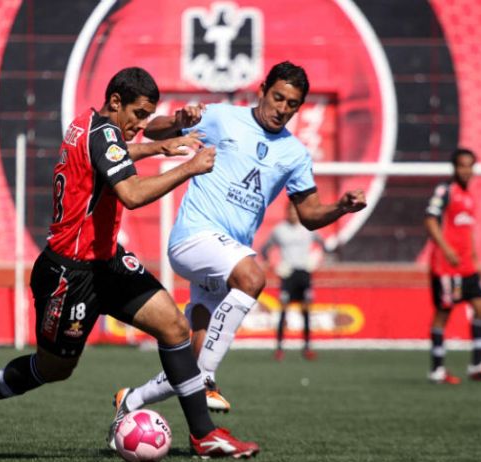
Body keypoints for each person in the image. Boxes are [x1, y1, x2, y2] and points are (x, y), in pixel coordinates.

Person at [0, 67, 260, 459]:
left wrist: (158, 147)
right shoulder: (105, 133)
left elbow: (109, 154)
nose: (143, 124)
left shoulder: (89, 124)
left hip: (107, 262)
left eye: (148, 116)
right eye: (139, 114)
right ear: (115, 102)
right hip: (70, 273)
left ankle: (204, 434)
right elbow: (131, 193)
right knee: (55, 368)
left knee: (174, 326)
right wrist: (188, 168)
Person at [106, 61, 367, 440]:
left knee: (191, 358)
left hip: (225, 255)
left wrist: (340, 207)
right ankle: (208, 378)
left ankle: (131, 399)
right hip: (194, 237)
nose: (282, 108)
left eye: (292, 104)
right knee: (253, 277)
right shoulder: (223, 118)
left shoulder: (295, 154)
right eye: (278, 97)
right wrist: (179, 120)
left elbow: (310, 215)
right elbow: (154, 128)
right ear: (262, 91)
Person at [424, 148, 481, 384]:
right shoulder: (445, 190)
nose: (466, 170)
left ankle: (477, 365)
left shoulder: (469, 195)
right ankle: (437, 370)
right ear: (454, 167)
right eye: (461, 165)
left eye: (469, 166)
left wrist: (474, 256)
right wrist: (446, 249)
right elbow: (430, 219)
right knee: (443, 314)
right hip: (446, 266)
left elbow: (466, 229)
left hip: (467, 265)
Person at [260, 203, 326, 361]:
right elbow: (265, 249)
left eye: (295, 211)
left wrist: (317, 259)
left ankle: (307, 347)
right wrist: (273, 265)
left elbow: (323, 245)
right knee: (283, 310)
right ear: (286, 212)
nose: (293, 214)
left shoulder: (308, 228)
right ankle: (279, 348)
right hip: (288, 274)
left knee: (306, 310)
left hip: (304, 273)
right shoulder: (279, 230)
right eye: (290, 211)